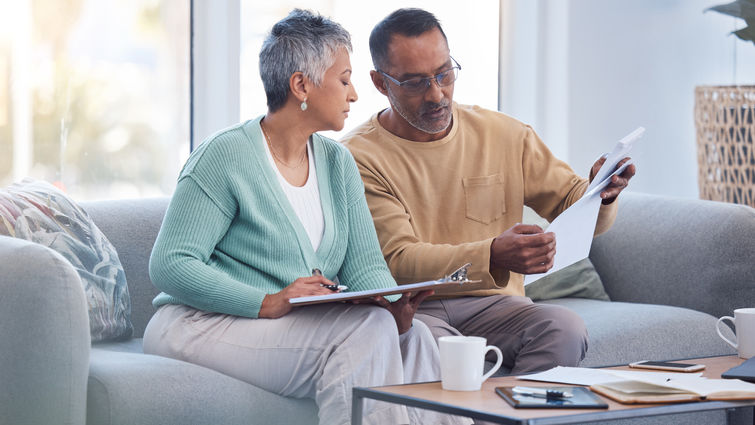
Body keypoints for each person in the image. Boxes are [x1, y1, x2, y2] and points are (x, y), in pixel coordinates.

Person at [143, 9, 467, 425]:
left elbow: (366, 265)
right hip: (200, 324)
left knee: (416, 336)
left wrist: (393, 306)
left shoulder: (338, 163)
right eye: (345, 80)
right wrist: (268, 301)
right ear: (302, 85)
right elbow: (170, 264)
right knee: (364, 332)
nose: (354, 95)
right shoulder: (224, 156)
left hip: (285, 328)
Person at [342, 8, 636, 374]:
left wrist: (601, 193)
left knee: (565, 328)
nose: (437, 94)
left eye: (444, 73)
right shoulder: (357, 157)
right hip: (417, 308)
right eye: (416, 83)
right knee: (424, 348)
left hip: (498, 306)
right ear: (380, 83)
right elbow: (399, 262)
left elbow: (571, 204)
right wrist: (493, 255)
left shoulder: (505, 134)